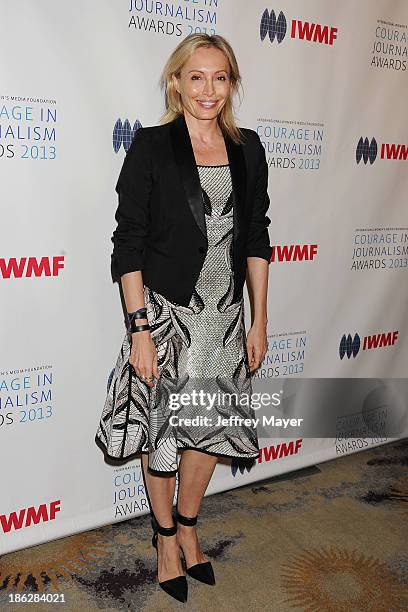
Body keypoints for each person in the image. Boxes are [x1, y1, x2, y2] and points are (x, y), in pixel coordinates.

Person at [95, 33, 272, 603]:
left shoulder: (250, 149)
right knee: (164, 435)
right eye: (196, 77)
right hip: (169, 319)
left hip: (225, 320)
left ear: (232, 84)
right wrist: (139, 328)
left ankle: (191, 528)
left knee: (209, 435)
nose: (209, 89)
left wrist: (259, 320)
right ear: (176, 82)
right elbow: (129, 245)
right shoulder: (151, 147)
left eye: (220, 77)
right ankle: (165, 538)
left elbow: (257, 238)